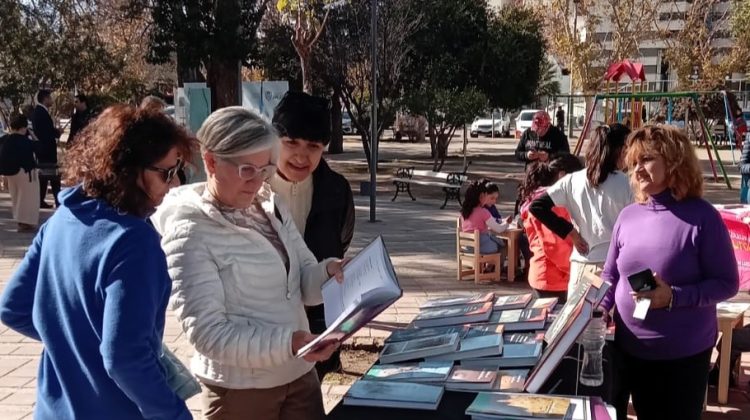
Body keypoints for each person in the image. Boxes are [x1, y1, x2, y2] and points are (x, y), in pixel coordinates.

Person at [0, 105, 195, 419]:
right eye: (167, 172)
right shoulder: (134, 241)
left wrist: (73, 342)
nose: (174, 184)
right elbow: (126, 359)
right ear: (129, 170)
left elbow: (13, 307)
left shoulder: (60, 220)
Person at [151, 106, 345, 420]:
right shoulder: (190, 230)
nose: (257, 182)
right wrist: (289, 343)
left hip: (298, 375)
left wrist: (331, 272)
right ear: (211, 161)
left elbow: (303, 282)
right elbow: (208, 333)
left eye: (266, 168)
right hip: (241, 391)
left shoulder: (270, 206)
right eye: (246, 170)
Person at [599, 125, 739, 420]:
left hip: (682, 357)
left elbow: (727, 284)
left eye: (646, 159)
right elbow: (610, 275)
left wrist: (673, 297)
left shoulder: (703, 218)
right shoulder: (628, 215)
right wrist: (598, 310)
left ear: (674, 161)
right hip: (629, 350)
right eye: (633, 162)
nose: (637, 169)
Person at [269, 91, 355, 378]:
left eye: (313, 146)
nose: (301, 155)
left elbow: (341, 240)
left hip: (317, 324)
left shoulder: (336, 190)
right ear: (273, 139)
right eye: (291, 143)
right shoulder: (251, 186)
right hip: (264, 328)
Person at [529, 124, 633, 297]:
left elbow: (537, 206)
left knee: (578, 321)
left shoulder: (572, 180)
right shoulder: (627, 184)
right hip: (613, 265)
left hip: (580, 264)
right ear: (621, 150)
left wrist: (570, 232)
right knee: (609, 321)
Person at [519, 154, 584, 303]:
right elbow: (554, 246)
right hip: (554, 278)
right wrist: (577, 271)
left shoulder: (539, 198)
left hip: (546, 274)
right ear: (563, 176)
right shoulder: (553, 204)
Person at [460, 179, 510, 275]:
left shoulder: (464, 212)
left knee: (494, 241)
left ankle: (489, 268)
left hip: (467, 247)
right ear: (480, 197)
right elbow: (499, 229)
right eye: (485, 195)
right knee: (504, 245)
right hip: (481, 247)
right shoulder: (483, 212)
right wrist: (507, 222)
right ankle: (496, 269)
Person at [0, 114, 39, 232]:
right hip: (26, 172)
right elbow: (39, 147)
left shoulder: (5, 139)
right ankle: (25, 222)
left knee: (16, 197)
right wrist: (33, 135)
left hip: (10, 173)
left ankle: (19, 219)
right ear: (23, 127)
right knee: (28, 198)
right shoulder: (25, 141)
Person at [31, 90, 61, 208]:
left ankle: (41, 200)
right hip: (46, 149)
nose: (52, 100)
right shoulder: (41, 113)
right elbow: (46, 132)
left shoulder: (40, 112)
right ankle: (57, 200)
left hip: (44, 149)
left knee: (45, 176)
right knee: (52, 175)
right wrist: (57, 133)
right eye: (50, 98)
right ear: (45, 98)